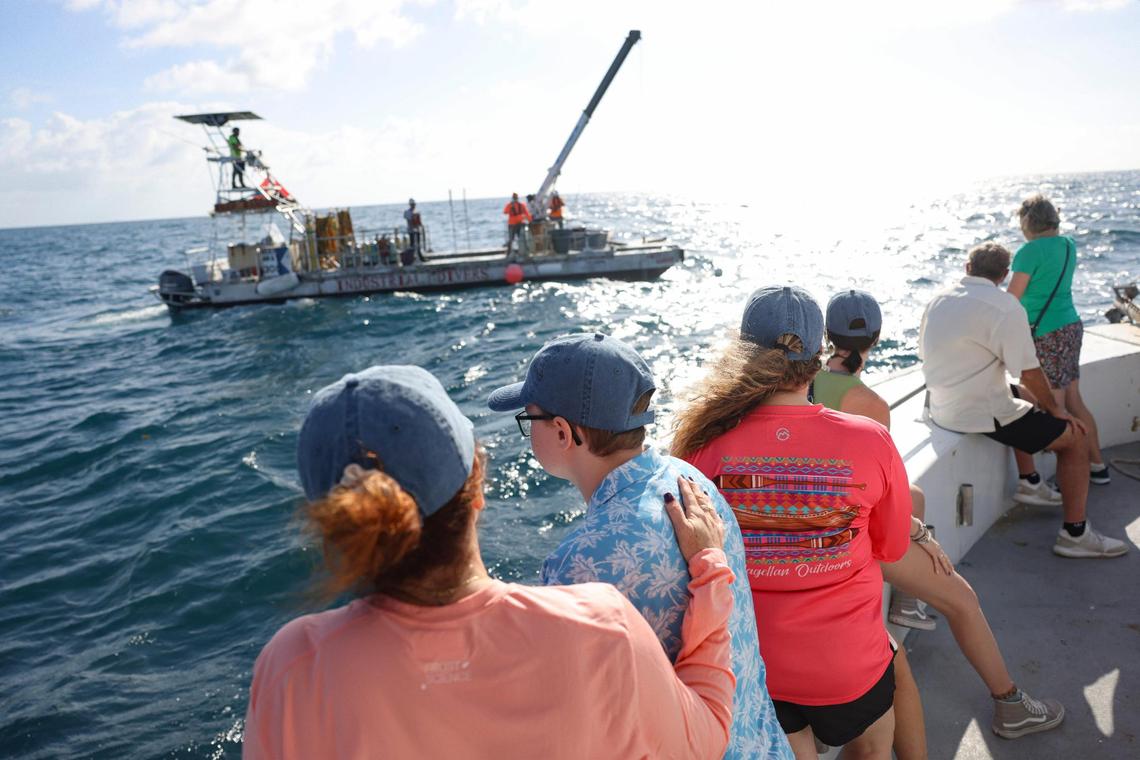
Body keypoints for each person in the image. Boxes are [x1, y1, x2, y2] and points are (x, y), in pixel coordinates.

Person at [244, 365, 738, 759]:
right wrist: (710, 570)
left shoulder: (293, 667)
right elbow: (707, 737)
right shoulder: (600, 628)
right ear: (477, 484)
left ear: (336, 522)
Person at [487, 333, 793, 760]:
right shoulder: (690, 482)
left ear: (562, 432)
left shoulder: (578, 565)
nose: (528, 430)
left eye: (529, 419)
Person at [671, 286, 911, 760]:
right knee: (874, 746)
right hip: (849, 665)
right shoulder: (872, 441)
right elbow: (892, 547)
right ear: (819, 355)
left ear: (742, 355)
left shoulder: (699, 445)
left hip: (755, 666)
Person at [821, 289, 1065, 748]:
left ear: (827, 336)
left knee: (914, 494)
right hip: (855, 539)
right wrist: (923, 537)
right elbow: (882, 497)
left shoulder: (805, 385)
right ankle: (1009, 704)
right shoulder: (867, 403)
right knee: (962, 599)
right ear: (874, 339)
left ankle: (908, 602)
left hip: (819, 529)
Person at [919, 243, 1127, 559]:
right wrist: (1058, 410)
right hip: (977, 412)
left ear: (967, 267)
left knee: (1026, 399)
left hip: (941, 406)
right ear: (1004, 275)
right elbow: (1029, 372)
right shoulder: (1005, 307)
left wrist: (1038, 402)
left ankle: (1030, 481)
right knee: (1075, 439)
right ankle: (1075, 534)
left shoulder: (938, 300)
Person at [1008, 193, 1110, 486]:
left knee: (1057, 405)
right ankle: (1097, 466)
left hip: (1045, 333)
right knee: (1074, 399)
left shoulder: (1029, 252)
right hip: (1070, 327)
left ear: (1028, 222)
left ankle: (1071, 471)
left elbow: (1012, 298)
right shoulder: (1068, 245)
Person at [503, 192, 531, 258]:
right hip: (518, 224)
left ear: (512, 198)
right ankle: (524, 252)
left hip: (514, 224)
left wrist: (510, 205)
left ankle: (511, 253)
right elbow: (527, 214)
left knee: (513, 239)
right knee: (519, 239)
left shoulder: (511, 205)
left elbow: (505, 212)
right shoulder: (521, 205)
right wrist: (530, 221)